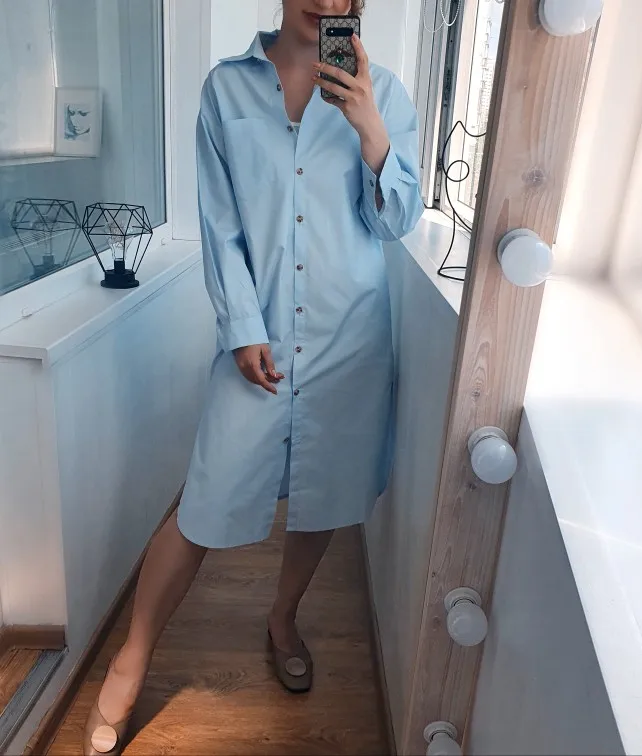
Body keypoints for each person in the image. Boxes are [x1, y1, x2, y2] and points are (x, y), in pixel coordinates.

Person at [83, 0, 423, 753]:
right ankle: (131, 658)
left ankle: (282, 619)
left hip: (348, 338)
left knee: (324, 492)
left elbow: (396, 222)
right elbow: (221, 223)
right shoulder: (226, 89)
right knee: (204, 500)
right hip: (258, 339)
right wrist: (242, 327)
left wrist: (369, 127)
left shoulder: (385, 94)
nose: (329, 2)